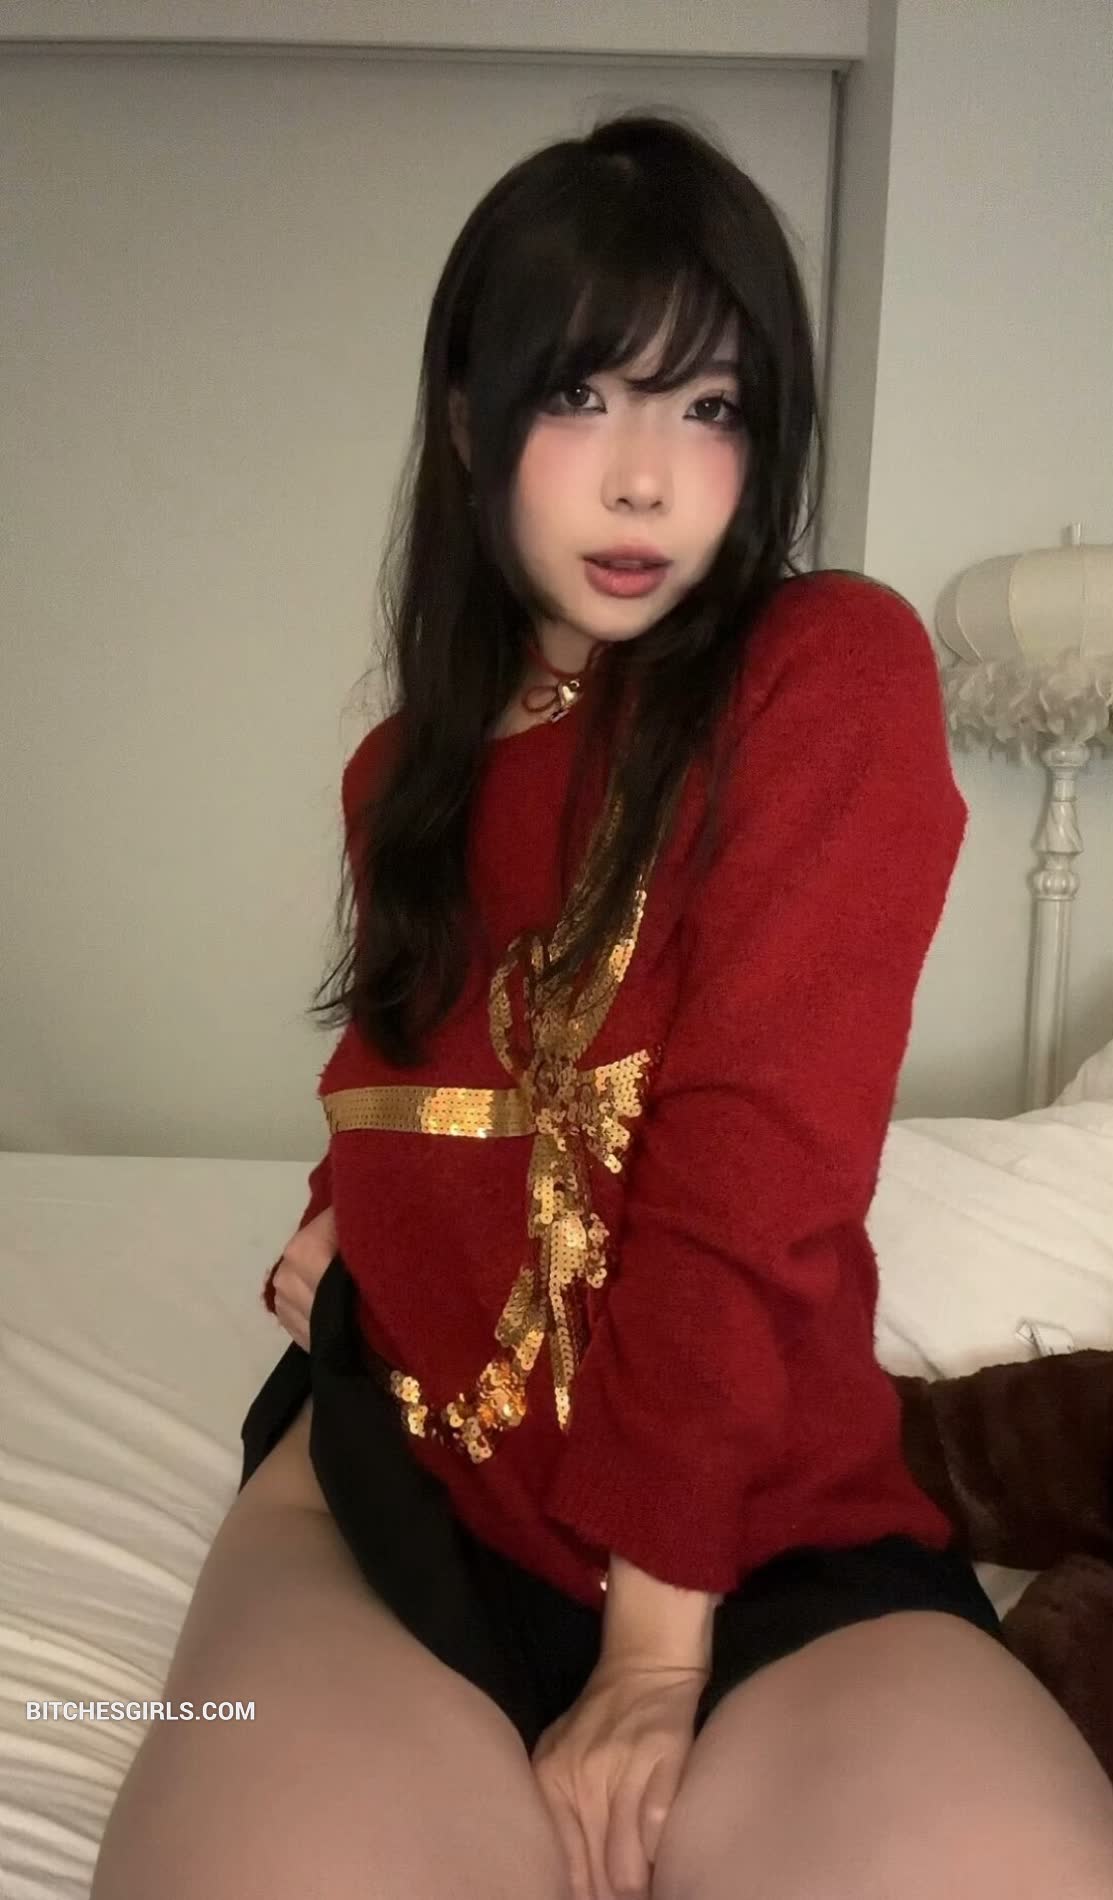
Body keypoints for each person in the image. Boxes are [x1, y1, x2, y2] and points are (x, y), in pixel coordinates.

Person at [91, 109, 1113, 1900]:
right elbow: (414, 1060)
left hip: (753, 1525)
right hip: (401, 1479)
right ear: (469, 422)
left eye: (709, 407)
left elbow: (755, 1159)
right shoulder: (402, 769)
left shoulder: (822, 667)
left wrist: (650, 1660)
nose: (648, 480)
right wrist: (338, 1217)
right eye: (582, 395)